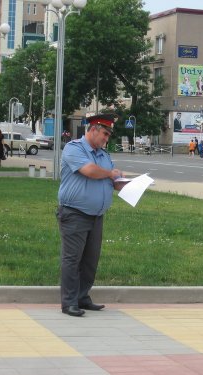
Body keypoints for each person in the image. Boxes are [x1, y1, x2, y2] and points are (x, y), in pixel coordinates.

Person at [57, 114, 126, 317]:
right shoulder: (74, 148)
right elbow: (89, 171)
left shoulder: (103, 155)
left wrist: (123, 181)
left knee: (90, 260)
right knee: (72, 259)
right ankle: (69, 302)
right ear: (94, 129)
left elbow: (109, 178)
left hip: (96, 216)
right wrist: (111, 173)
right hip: (74, 213)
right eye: (105, 134)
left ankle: (82, 297)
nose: (107, 139)